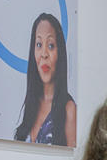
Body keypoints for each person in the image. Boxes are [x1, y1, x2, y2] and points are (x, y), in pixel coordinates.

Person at [12, 12, 76, 146]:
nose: (44, 54)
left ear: (60, 53)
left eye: (51, 45)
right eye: (39, 45)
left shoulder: (68, 109)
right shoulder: (31, 104)